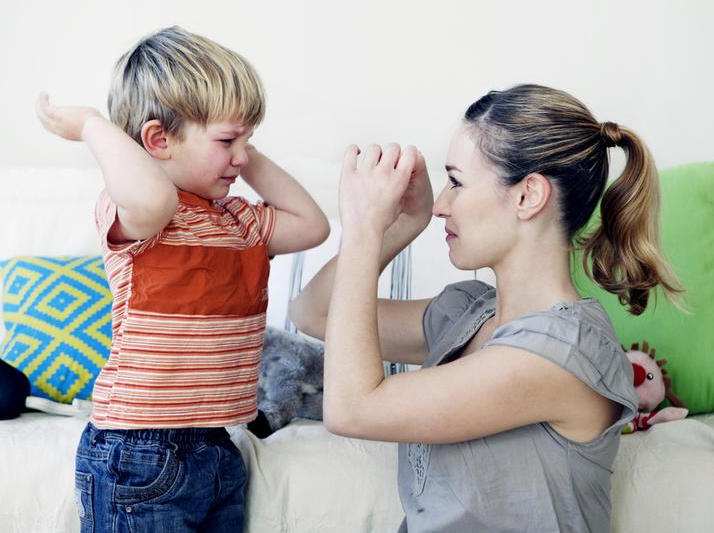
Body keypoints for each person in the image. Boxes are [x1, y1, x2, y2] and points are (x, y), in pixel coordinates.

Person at [289, 84, 683, 532]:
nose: (441, 205)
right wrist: (403, 224)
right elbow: (313, 312)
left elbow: (351, 410)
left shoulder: (562, 355)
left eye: (456, 182)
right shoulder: (468, 312)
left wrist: (363, 229)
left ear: (527, 196)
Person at [36, 26, 329, 532]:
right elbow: (154, 197)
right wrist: (92, 126)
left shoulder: (241, 222)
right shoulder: (141, 216)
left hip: (215, 445)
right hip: (138, 451)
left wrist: (241, 146)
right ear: (157, 140)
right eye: (227, 141)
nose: (241, 156)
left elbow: (313, 225)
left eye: (248, 140)